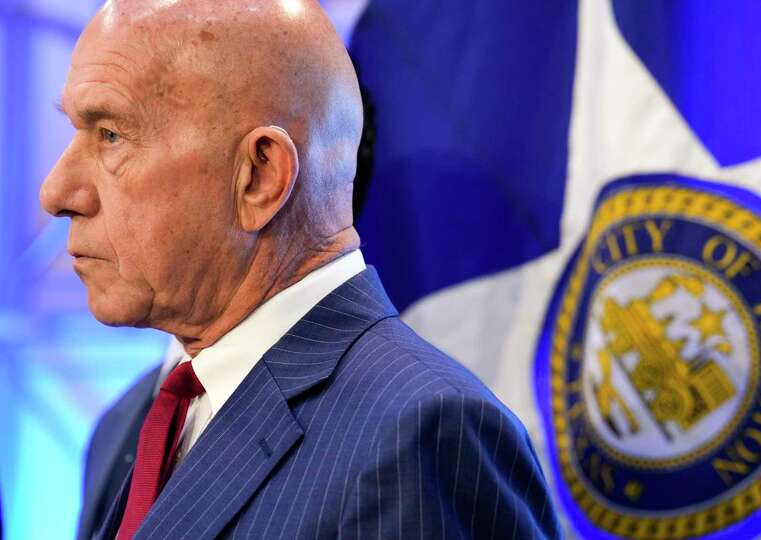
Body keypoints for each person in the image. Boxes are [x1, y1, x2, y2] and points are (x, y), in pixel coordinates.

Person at [40, 1, 561, 538]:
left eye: (110, 135)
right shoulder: (143, 421)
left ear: (260, 176)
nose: (56, 194)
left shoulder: (421, 437)